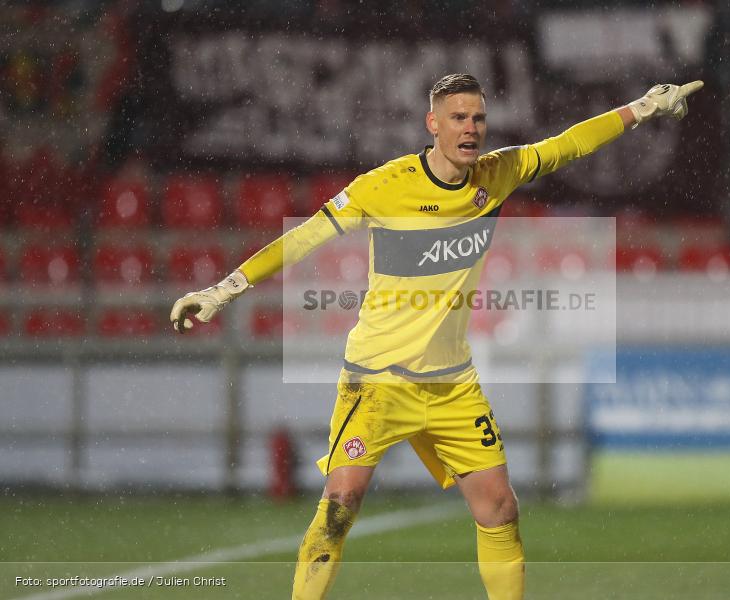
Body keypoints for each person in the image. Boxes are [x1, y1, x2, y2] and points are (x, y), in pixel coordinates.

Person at [170, 73, 703, 600]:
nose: (471, 128)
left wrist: (641, 109)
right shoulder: (384, 186)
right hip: (377, 381)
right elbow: (303, 238)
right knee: (340, 506)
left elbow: (568, 145)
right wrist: (225, 289)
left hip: (451, 384)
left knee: (500, 508)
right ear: (433, 124)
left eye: (478, 118)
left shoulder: (498, 173)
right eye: (458, 118)